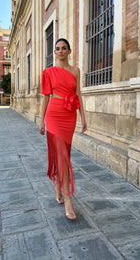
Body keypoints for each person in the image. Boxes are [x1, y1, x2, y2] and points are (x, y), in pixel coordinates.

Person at [39, 38, 87, 220]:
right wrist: (41, 121)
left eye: (63, 48)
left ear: (69, 51)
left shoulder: (75, 70)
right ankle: (67, 198)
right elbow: (45, 97)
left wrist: (84, 117)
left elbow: (78, 95)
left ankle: (58, 187)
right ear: (54, 52)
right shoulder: (48, 72)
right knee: (62, 157)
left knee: (65, 154)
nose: (59, 51)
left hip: (69, 116)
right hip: (53, 114)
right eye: (57, 48)